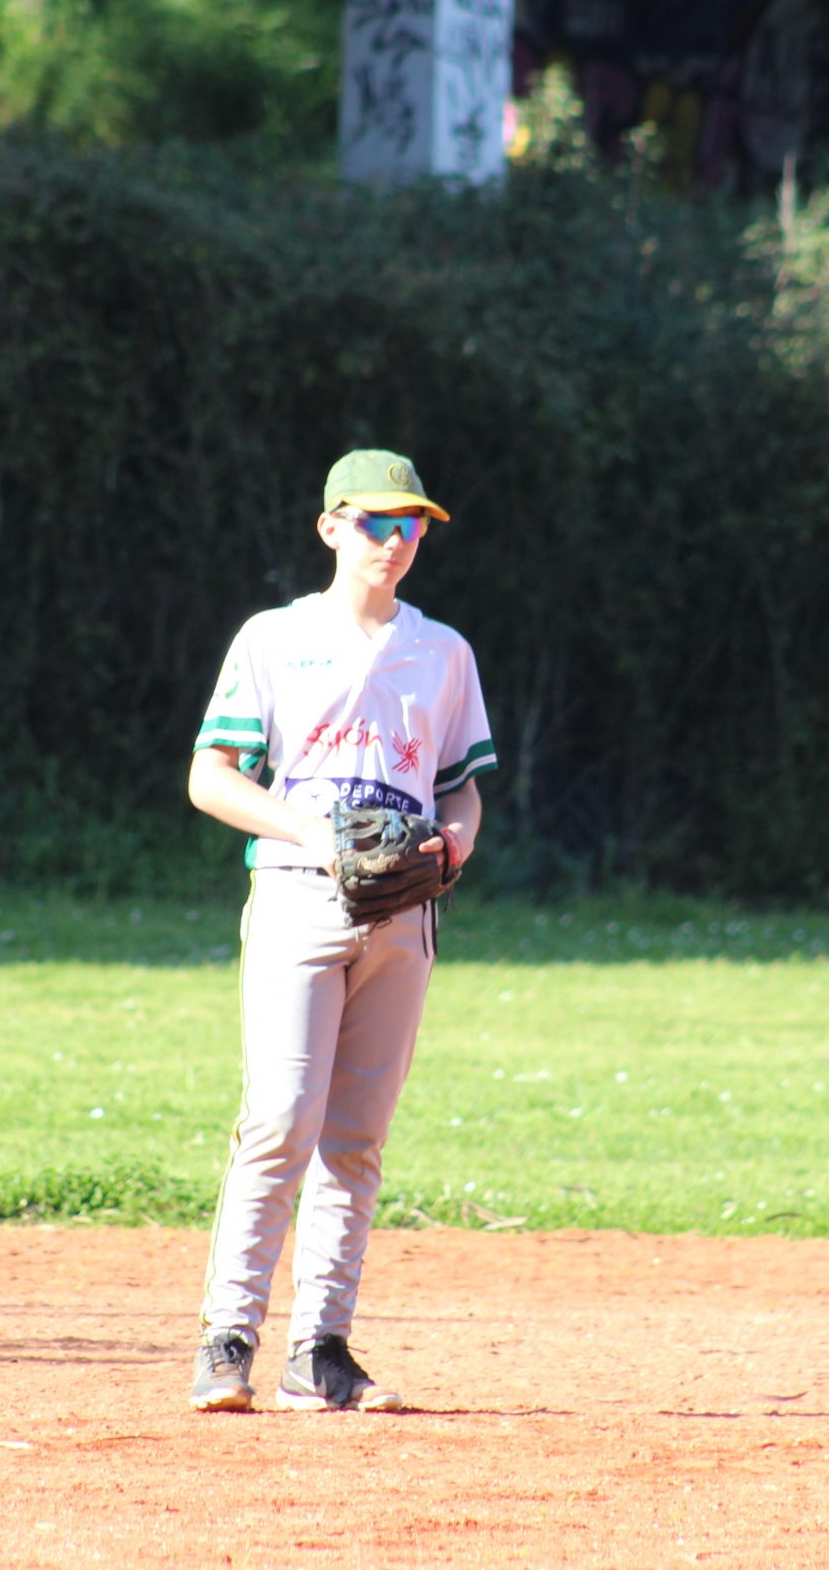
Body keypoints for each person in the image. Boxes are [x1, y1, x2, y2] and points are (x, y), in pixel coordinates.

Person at [184, 449, 497, 1413]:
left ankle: (319, 1351)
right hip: (295, 895)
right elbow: (211, 778)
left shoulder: (443, 652)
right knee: (282, 1117)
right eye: (375, 522)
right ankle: (227, 1338)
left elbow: (462, 788)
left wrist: (456, 844)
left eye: (411, 525)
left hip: (404, 910)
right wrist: (313, 833)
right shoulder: (274, 638)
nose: (395, 541)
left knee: (356, 1138)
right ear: (330, 527)